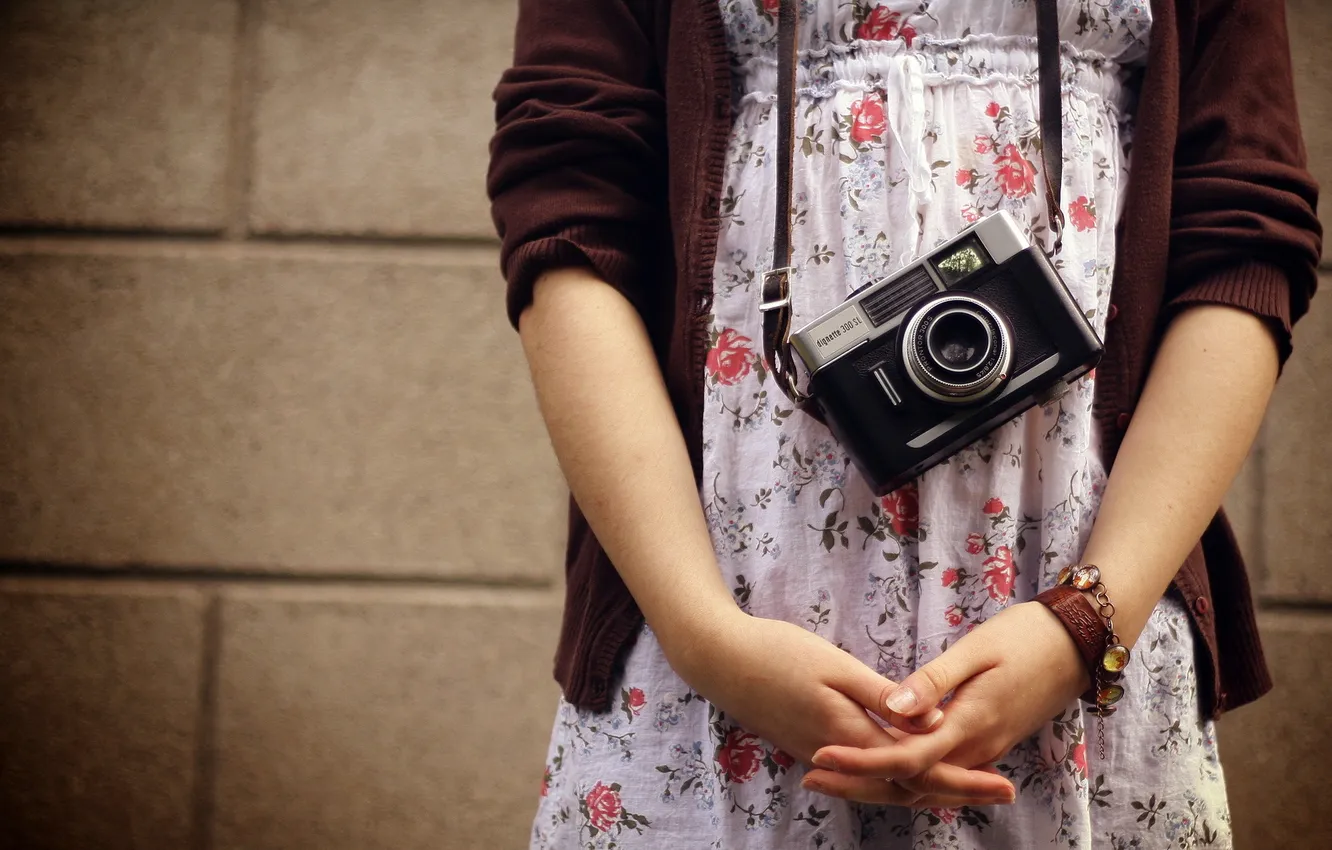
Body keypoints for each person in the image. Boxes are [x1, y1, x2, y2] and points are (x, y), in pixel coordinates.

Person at [487, 0, 1321, 847]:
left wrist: (1087, 623)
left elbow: (1244, 237)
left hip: (1090, 635)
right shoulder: (707, 644)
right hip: (713, 640)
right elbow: (567, 218)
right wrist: (705, 638)